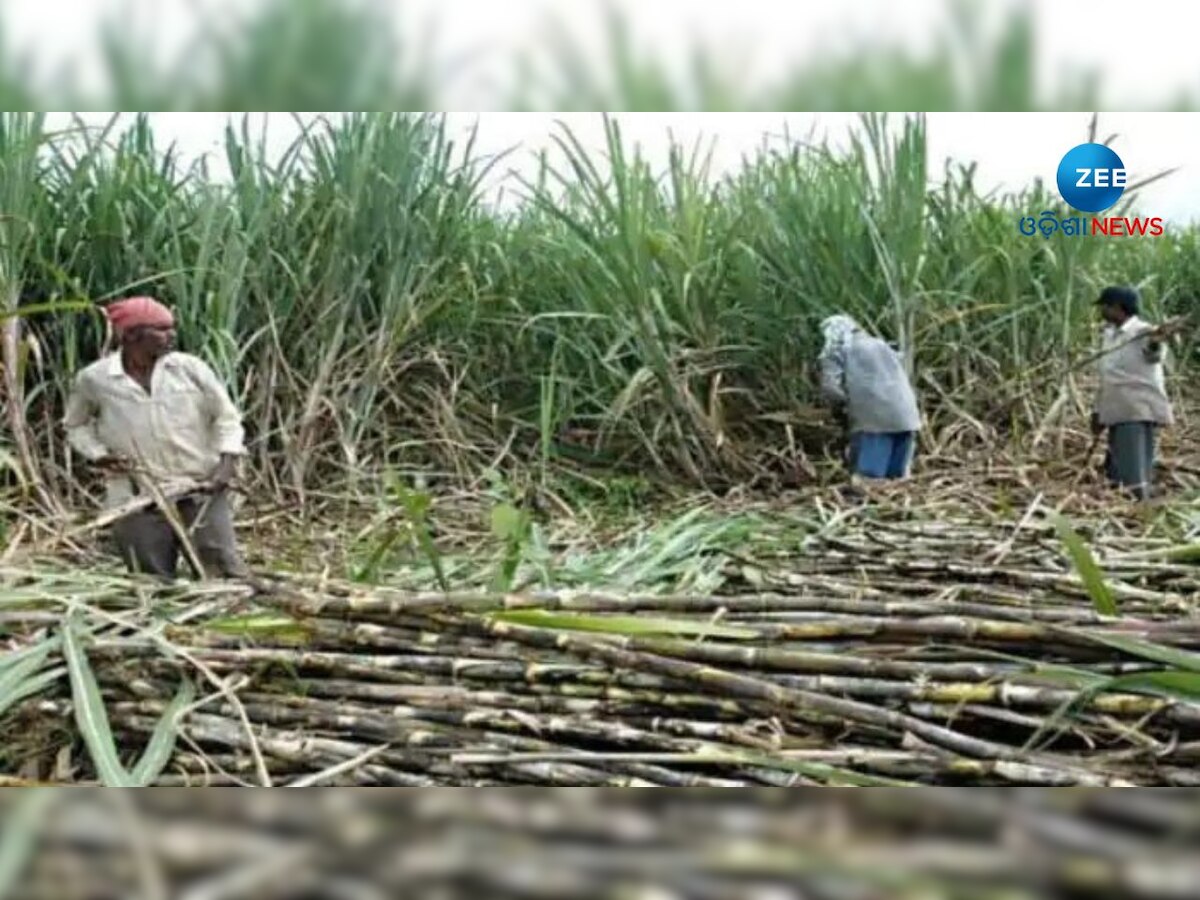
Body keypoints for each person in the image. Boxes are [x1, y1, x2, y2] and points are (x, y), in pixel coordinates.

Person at [63, 296, 250, 578]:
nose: (171, 335)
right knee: (149, 576)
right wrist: (99, 455)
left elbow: (227, 417)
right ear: (131, 335)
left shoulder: (190, 369)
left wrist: (226, 466)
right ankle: (162, 620)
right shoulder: (95, 379)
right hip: (137, 492)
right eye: (160, 329)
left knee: (223, 570)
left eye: (171, 327)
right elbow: (74, 426)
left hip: (199, 486)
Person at [1091, 285, 1173, 501]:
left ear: (1118, 307)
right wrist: (1098, 410)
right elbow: (1106, 375)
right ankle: (1123, 503)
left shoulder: (1144, 331)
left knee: (1133, 470)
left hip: (1136, 408)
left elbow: (1153, 353)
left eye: (1105, 307)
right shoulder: (1110, 334)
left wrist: (1155, 343)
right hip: (1115, 407)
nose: (1102, 312)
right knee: (1117, 467)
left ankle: (1139, 507)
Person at [818, 314, 922, 479]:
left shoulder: (837, 349)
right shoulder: (882, 344)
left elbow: (830, 388)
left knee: (870, 476)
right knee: (897, 477)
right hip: (906, 412)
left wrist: (842, 410)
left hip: (873, 418)